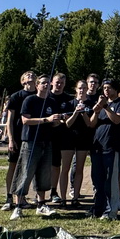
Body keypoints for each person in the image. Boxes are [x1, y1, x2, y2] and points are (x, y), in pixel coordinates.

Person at [9, 75, 65, 220]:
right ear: (37, 85)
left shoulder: (52, 102)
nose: (46, 85)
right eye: (43, 83)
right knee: (25, 173)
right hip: (30, 142)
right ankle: (18, 206)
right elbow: (25, 120)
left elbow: (53, 123)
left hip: (47, 142)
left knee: (44, 173)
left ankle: (41, 204)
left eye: (48, 83)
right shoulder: (30, 100)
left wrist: (57, 121)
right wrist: (46, 119)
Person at [88, 79, 120, 219]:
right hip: (97, 147)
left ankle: (110, 211)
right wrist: (96, 111)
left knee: (110, 181)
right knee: (97, 180)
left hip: (111, 146)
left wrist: (105, 107)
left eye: (109, 88)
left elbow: (117, 120)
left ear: (115, 89)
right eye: (104, 88)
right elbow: (92, 124)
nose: (106, 90)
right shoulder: (101, 104)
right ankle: (98, 209)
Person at [1, 71, 37, 211]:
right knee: (13, 166)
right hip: (17, 136)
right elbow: (10, 120)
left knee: (28, 168)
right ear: (22, 81)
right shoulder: (16, 96)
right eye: (27, 75)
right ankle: (9, 197)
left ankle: (22, 197)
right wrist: (10, 139)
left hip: (32, 137)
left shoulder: (39, 95)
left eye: (33, 74)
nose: (31, 76)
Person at [66, 80, 95, 208]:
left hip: (84, 139)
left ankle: (76, 197)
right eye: (79, 88)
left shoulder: (91, 104)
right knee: (66, 168)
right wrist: (75, 112)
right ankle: (63, 197)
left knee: (79, 168)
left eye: (84, 88)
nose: (82, 90)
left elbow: (90, 124)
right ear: (76, 89)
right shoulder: (70, 103)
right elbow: (68, 124)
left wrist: (83, 113)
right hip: (70, 139)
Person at [48, 72, 72, 205]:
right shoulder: (46, 96)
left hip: (62, 136)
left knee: (56, 164)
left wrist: (61, 120)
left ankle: (53, 191)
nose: (59, 85)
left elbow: (69, 117)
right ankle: (39, 191)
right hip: (46, 135)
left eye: (62, 83)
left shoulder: (68, 99)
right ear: (52, 82)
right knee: (42, 164)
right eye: (57, 82)